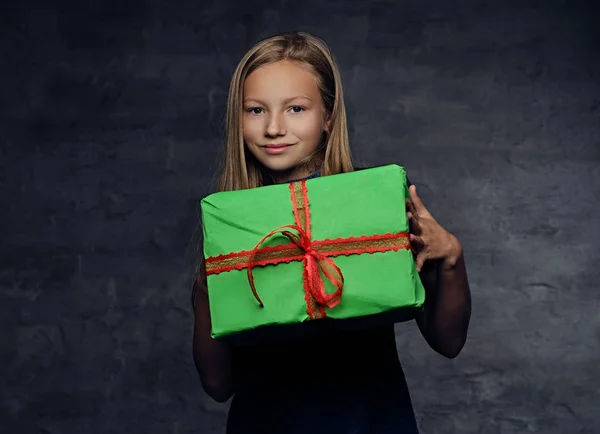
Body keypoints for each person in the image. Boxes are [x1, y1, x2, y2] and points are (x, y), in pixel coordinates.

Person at [192, 32, 471, 433]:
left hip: (370, 423)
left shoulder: (375, 205)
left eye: (296, 108)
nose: (274, 127)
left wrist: (451, 258)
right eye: (254, 110)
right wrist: (211, 281)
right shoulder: (228, 223)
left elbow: (448, 342)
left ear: (327, 115)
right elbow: (218, 385)